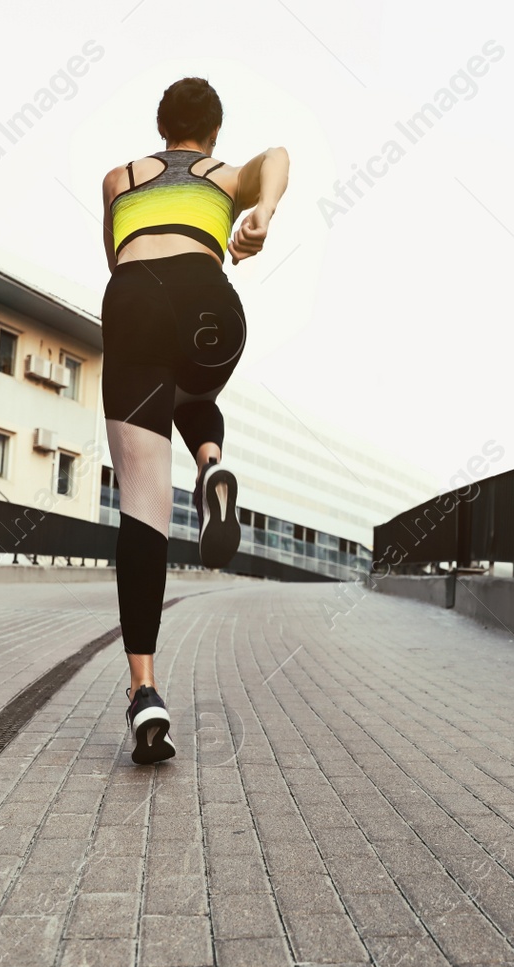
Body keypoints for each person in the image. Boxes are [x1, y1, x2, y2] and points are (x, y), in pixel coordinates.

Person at [99, 76, 289, 764]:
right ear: (211, 134)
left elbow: (117, 257)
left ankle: (145, 688)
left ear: (162, 128)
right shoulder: (220, 174)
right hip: (213, 308)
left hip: (134, 304)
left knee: (143, 510)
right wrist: (260, 212)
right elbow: (276, 156)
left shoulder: (119, 178)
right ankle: (211, 463)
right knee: (189, 383)